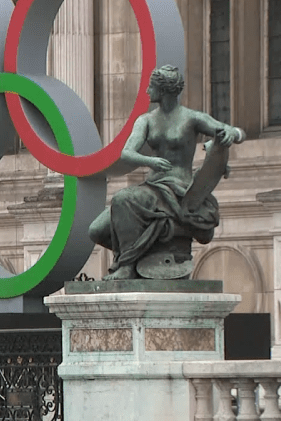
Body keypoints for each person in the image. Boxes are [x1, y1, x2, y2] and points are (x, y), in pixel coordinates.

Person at [88, 65, 245, 280]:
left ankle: (127, 264)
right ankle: (140, 254)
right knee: (96, 230)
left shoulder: (191, 118)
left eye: (151, 86)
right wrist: (149, 160)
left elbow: (236, 132)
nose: (147, 91)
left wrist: (231, 133)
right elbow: (126, 153)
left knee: (122, 198)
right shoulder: (146, 120)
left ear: (163, 90)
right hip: (154, 186)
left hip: (180, 187)